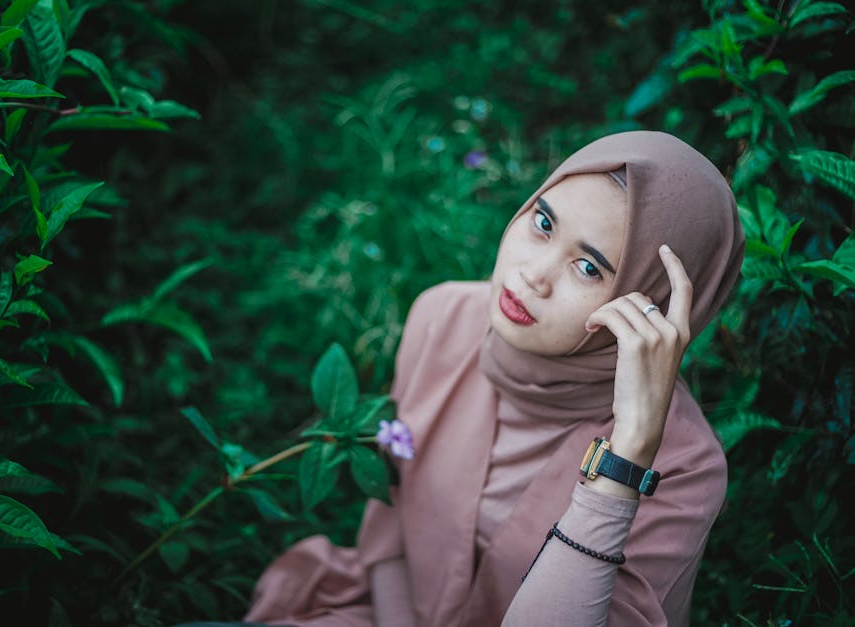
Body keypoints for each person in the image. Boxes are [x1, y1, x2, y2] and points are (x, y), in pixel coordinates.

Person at [185, 130, 744, 627]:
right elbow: (390, 527)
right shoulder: (443, 318)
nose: (534, 274)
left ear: (655, 309)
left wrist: (624, 462)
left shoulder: (685, 467)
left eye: (590, 267)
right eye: (544, 223)